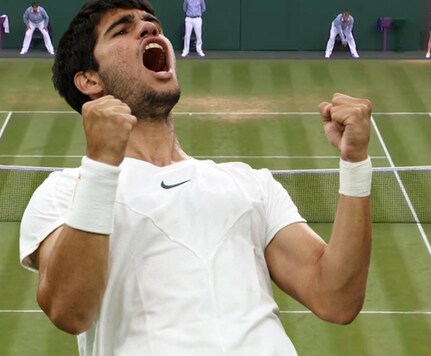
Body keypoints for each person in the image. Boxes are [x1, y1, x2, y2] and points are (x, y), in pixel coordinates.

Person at [21, 1, 373, 354]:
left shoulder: (251, 184)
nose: (149, 29)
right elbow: (70, 311)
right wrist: (100, 164)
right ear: (89, 80)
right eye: (122, 29)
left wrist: (355, 163)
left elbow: (336, 299)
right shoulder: (64, 193)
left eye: (151, 24)